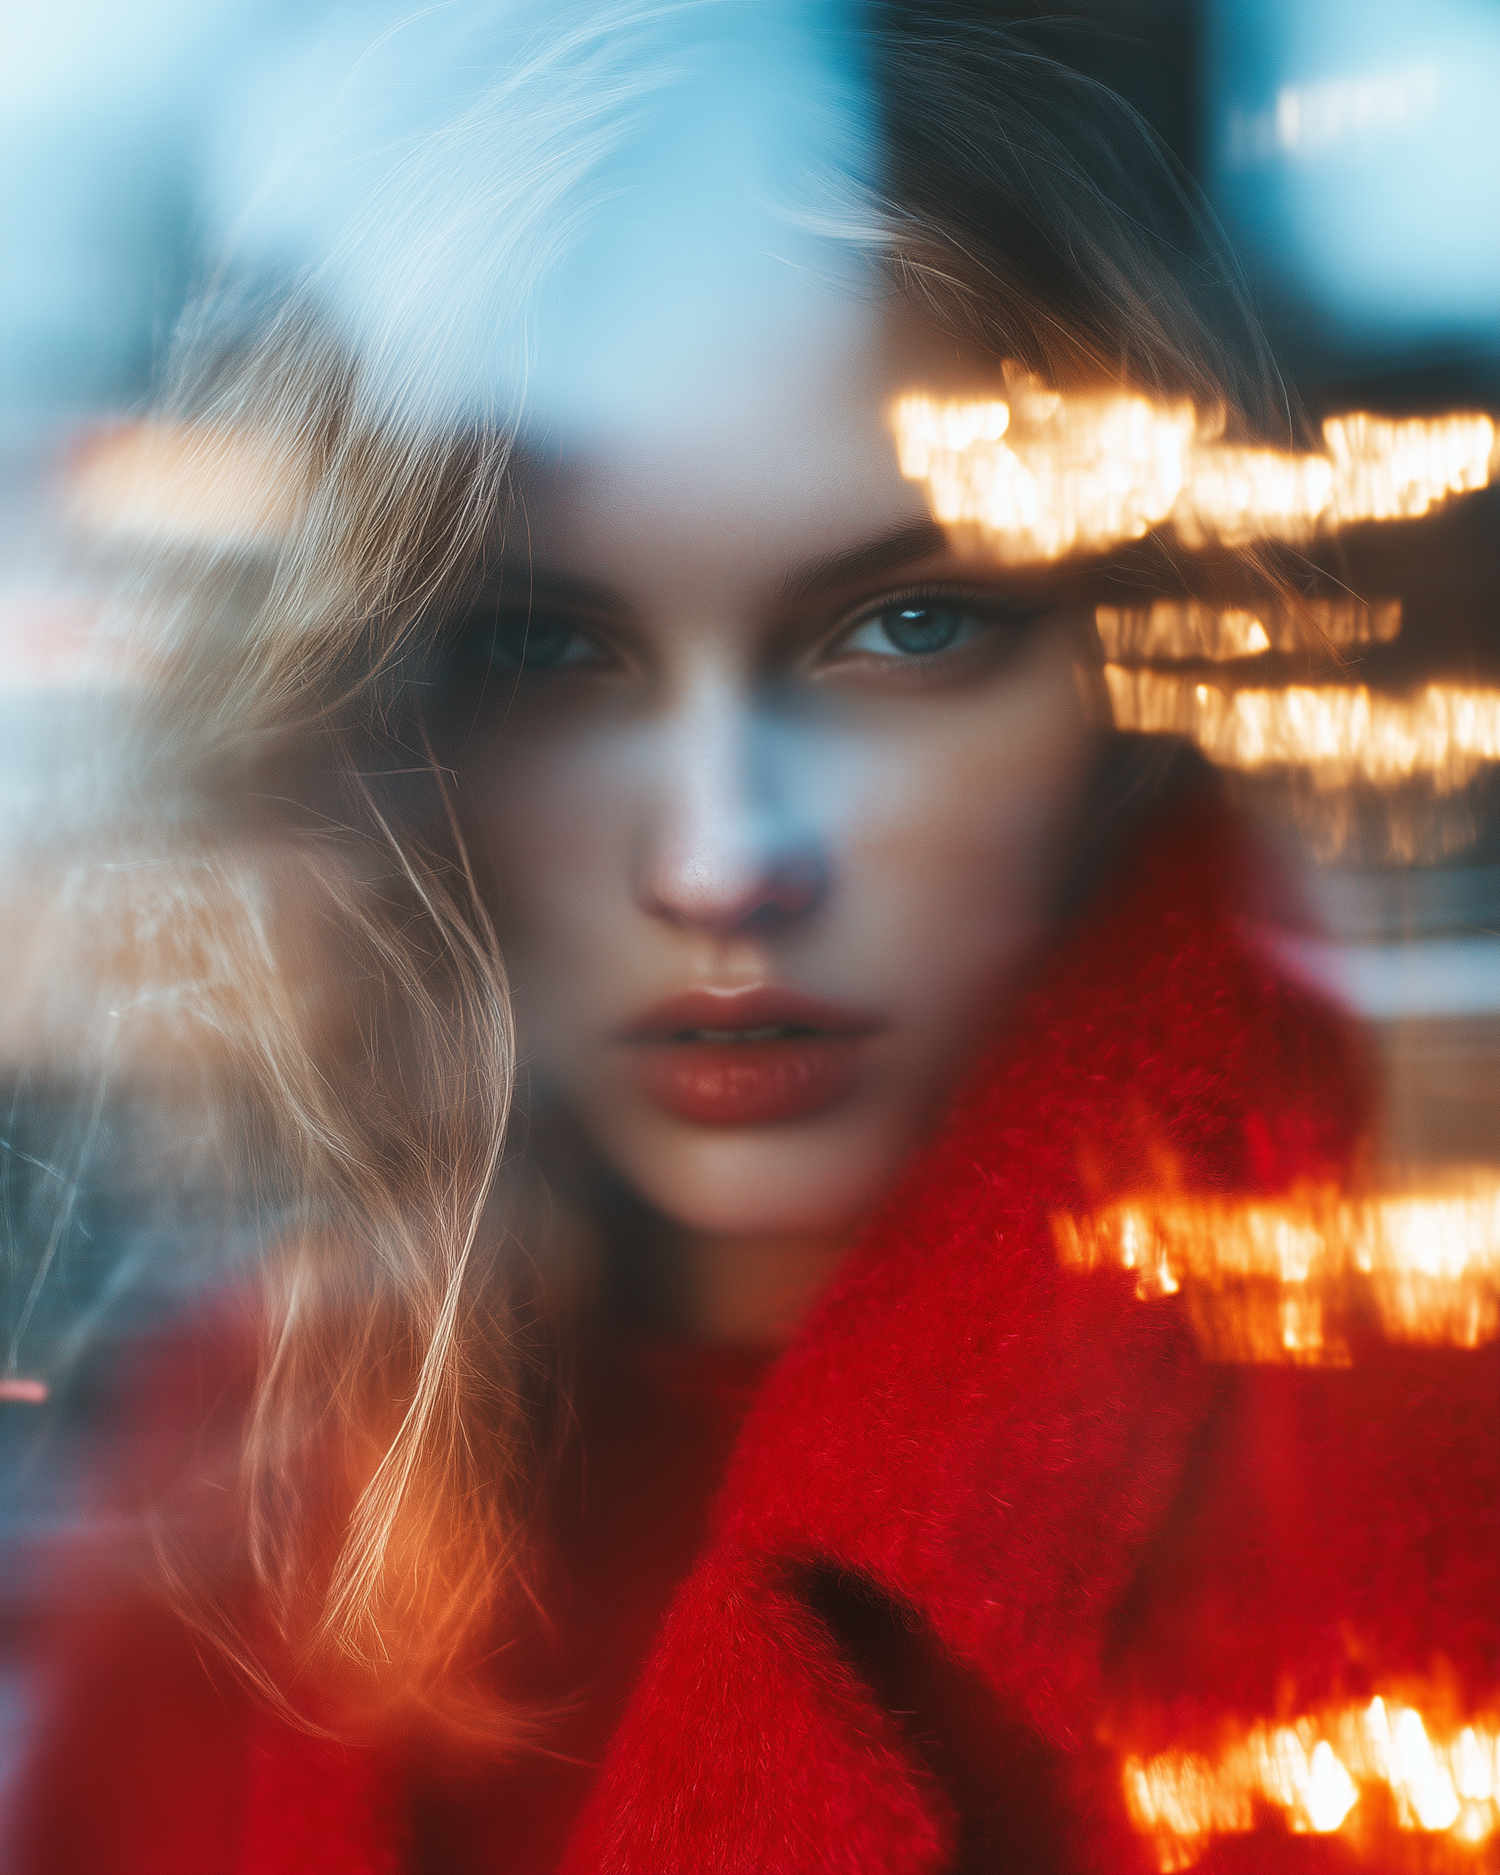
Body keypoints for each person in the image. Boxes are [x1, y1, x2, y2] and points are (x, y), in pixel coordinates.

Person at [12, 5, 1496, 1873]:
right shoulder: (229, 1492)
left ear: (1141, 668)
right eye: (548, 645)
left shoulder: (1405, 1483)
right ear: (384, 714)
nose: (725, 860)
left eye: (907, 628)